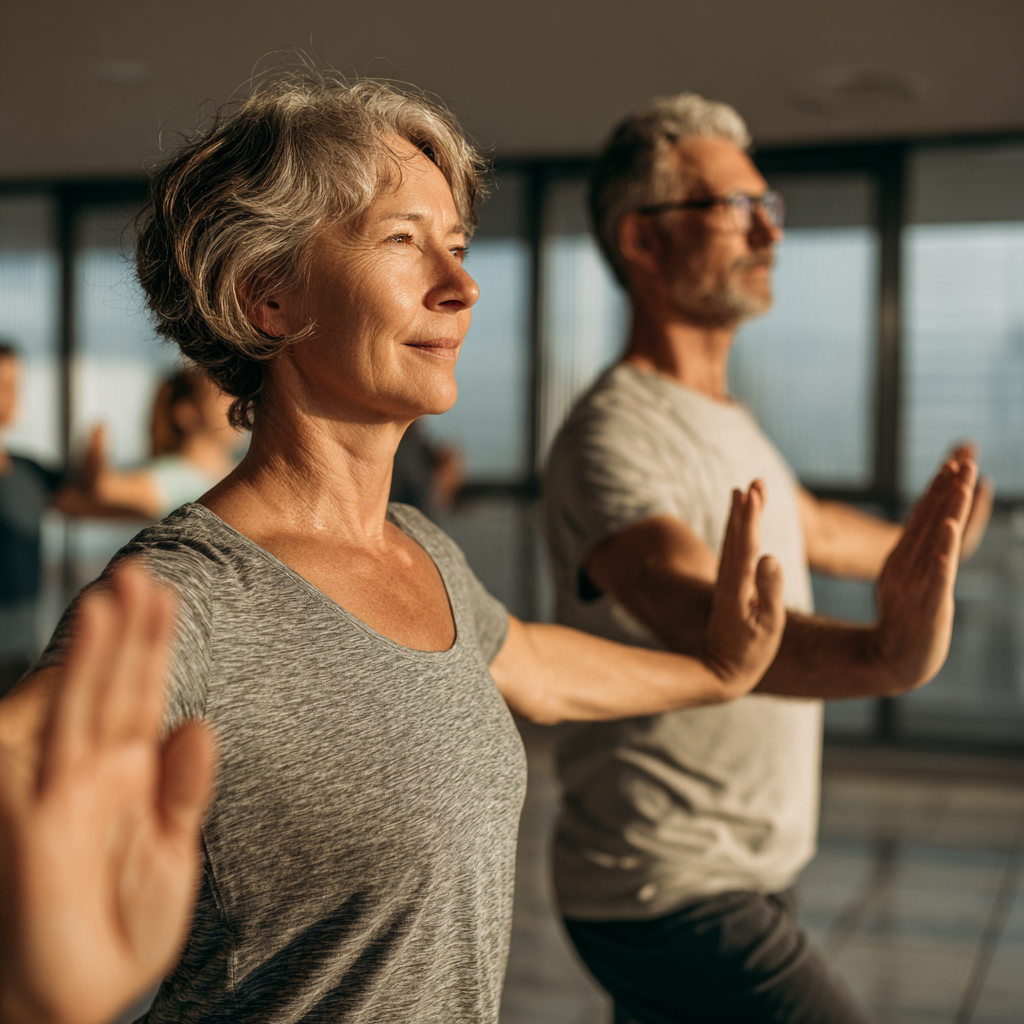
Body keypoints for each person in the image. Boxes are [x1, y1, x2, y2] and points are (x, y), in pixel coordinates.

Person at [0, 76, 972, 1024]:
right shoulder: (193, 591)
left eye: (458, 248)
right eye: (403, 243)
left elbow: (539, 666)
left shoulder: (421, 549)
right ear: (269, 299)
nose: (461, 286)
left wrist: (718, 670)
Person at [542, 93, 993, 1024]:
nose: (767, 233)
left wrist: (950, 536)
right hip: (664, 883)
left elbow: (822, 529)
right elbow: (696, 613)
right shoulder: (613, 434)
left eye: (769, 208)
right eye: (733, 208)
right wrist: (883, 656)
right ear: (642, 241)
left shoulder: (729, 419)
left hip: (739, 869)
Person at [77, 365, 241, 520]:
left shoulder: (239, 473)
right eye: (225, 397)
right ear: (185, 413)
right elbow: (105, 490)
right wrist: (97, 450)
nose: (240, 407)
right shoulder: (172, 480)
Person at [0, 343, 66, 694]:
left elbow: (90, 498)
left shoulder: (29, 471)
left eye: (15, 385)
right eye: (4, 385)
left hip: (19, 655)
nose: (13, 396)